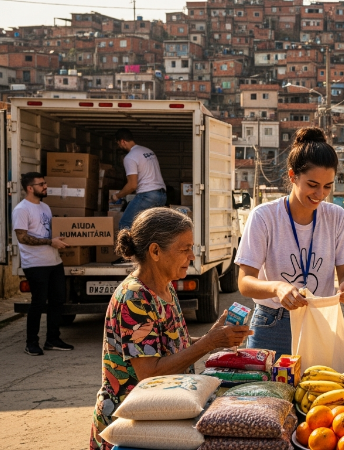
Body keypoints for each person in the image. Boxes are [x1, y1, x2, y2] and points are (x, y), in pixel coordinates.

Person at [90, 208, 252, 449]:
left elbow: (173, 345)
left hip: (159, 417)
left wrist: (214, 338)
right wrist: (210, 343)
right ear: (155, 251)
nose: (191, 257)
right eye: (184, 249)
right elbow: (149, 372)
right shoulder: (135, 297)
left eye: (191, 249)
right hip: (131, 426)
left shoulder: (165, 288)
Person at [237, 128, 344, 356]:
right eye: (312, 185)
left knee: (319, 389)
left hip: (320, 319)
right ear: (293, 176)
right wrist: (277, 287)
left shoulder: (336, 216)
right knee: (268, 391)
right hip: (272, 323)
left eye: (327, 186)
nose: (320, 194)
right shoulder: (264, 216)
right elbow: (245, 283)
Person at [12, 172, 73, 356]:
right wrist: (49, 242)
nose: (45, 186)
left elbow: (46, 232)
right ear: (30, 188)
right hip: (35, 264)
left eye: (45, 183)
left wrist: (56, 240)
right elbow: (22, 238)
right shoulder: (21, 210)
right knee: (38, 303)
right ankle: (31, 342)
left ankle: (52, 339)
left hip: (54, 261)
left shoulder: (45, 207)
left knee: (57, 301)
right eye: (41, 184)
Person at [112, 128, 167, 231]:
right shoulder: (148, 151)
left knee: (125, 224)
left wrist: (117, 196)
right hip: (161, 195)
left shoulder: (130, 157)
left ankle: (126, 247)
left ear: (122, 141)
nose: (119, 146)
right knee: (149, 228)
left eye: (118, 143)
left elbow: (132, 185)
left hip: (147, 196)